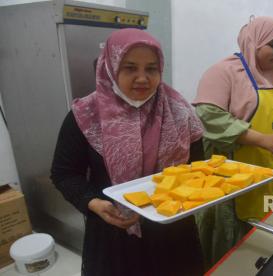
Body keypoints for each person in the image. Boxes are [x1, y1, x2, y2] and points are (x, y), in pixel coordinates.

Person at [51, 29, 204, 276]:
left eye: (151, 69)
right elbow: (64, 173)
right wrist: (93, 203)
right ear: (110, 68)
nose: (142, 78)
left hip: (172, 229)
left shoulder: (179, 111)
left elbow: (199, 167)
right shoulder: (87, 115)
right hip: (113, 231)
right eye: (130, 68)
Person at [192, 16, 273, 268]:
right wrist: (260, 139)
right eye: (272, 45)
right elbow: (210, 116)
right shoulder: (225, 71)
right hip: (232, 176)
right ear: (254, 41)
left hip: (271, 168)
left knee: (266, 232)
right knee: (233, 247)